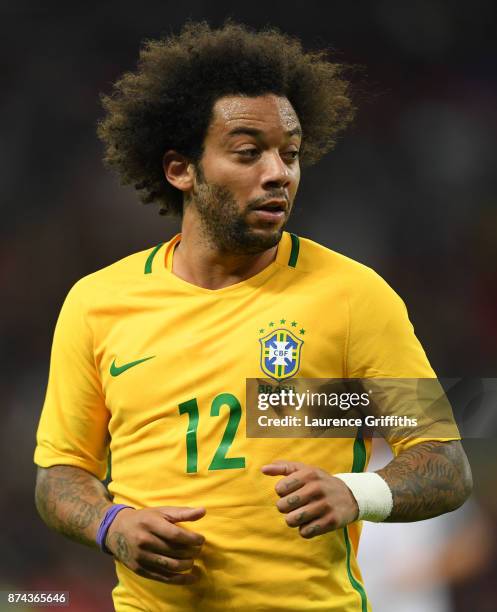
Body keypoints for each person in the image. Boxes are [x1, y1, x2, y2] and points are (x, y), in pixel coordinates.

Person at [34, 22, 472, 612]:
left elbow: (444, 462)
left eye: (290, 155)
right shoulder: (96, 302)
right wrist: (111, 525)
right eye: (248, 153)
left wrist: (357, 491)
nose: (279, 174)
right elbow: (60, 474)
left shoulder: (354, 295)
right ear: (180, 170)